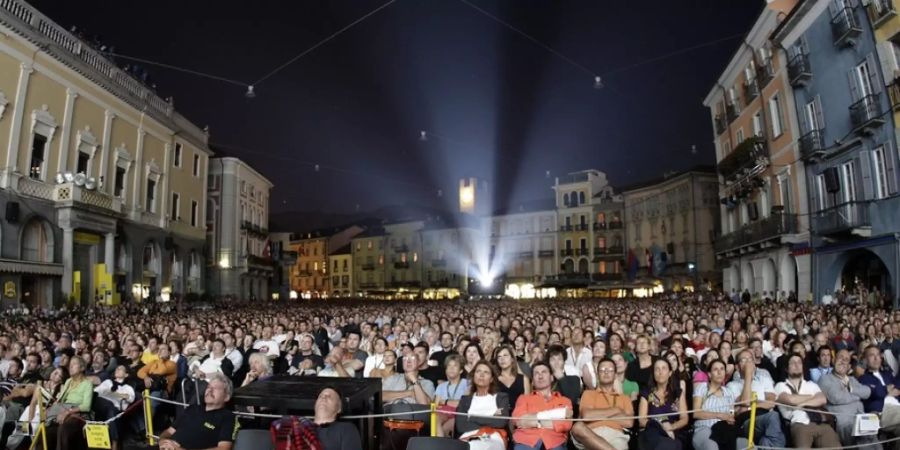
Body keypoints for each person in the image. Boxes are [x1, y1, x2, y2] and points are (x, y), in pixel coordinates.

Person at [773, 353, 841, 448]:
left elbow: (822, 399)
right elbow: (791, 399)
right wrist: (811, 397)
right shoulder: (780, 385)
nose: (797, 365)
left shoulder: (811, 384)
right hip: (798, 424)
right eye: (793, 363)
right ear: (786, 368)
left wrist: (802, 404)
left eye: (799, 363)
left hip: (820, 422)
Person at [157, 373, 239, 450]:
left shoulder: (227, 417)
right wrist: (162, 441)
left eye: (216, 388)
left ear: (226, 397)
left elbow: (223, 448)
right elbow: (169, 431)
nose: (209, 390)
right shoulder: (192, 408)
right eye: (208, 387)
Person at [571, 358, 634, 450]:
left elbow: (629, 422)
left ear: (615, 375)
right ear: (597, 375)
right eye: (602, 370)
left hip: (615, 436)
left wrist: (597, 414)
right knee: (578, 427)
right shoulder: (588, 393)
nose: (606, 372)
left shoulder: (625, 398)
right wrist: (616, 410)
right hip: (590, 434)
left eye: (610, 370)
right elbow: (587, 416)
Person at [819, 349, 877, 448]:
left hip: (862, 417)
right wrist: (858, 395)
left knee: (875, 442)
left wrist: (851, 389)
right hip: (845, 422)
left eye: (846, 360)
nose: (842, 361)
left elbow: (867, 392)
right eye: (840, 357)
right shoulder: (825, 379)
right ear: (834, 360)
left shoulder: (852, 379)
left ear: (849, 366)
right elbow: (836, 397)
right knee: (864, 442)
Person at [727, 349, 785, 448]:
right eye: (744, 360)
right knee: (773, 417)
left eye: (750, 359)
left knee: (766, 441)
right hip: (746, 421)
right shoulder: (732, 385)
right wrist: (748, 376)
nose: (748, 362)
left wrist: (751, 405)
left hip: (764, 417)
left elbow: (771, 403)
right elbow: (746, 402)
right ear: (737, 367)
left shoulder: (764, 380)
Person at [455, 360, 511, 449]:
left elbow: (501, 422)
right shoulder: (465, 400)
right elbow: (461, 426)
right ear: (473, 376)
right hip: (468, 437)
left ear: (491, 379)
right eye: (478, 371)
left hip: (492, 436)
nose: (481, 375)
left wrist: (472, 418)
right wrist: (491, 418)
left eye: (486, 372)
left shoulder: (501, 398)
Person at [637, 359, 688, 449]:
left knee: (672, 444)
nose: (660, 372)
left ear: (670, 373)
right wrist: (661, 427)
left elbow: (684, 418)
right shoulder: (646, 393)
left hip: (672, 433)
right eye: (657, 369)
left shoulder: (678, 393)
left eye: (664, 368)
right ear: (653, 373)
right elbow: (641, 420)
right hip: (651, 434)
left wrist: (671, 427)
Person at [692, 359, 741, 450]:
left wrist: (731, 416)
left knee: (745, 444)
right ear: (709, 375)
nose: (719, 372)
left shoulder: (729, 392)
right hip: (705, 428)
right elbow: (696, 413)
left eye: (722, 369)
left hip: (725, 430)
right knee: (712, 446)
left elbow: (731, 412)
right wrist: (719, 415)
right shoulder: (702, 388)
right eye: (715, 369)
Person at [857, 344, 900, 414]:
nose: (876, 358)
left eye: (878, 355)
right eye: (872, 355)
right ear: (865, 360)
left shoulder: (887, 374)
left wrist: (894, 390)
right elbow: (872, 405)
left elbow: (897, 386)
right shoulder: (863, 380)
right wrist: (888, 395)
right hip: (880, 415)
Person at [434, 354, 469, 437]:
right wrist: (451, 403)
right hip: (443, 413)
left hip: (459, 414)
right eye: (449, 366)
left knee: (445, 428)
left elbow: (464, 404)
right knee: (434, 418)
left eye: (455, 366)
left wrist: (445, 401)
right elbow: (436, 406)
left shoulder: (467, 384)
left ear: (461, 370)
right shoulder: (440, 386)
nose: (451, 368)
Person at [496, 345, 531, 413]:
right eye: (499, 357)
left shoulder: (524, 379)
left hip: (519, 417)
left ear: (512, 359)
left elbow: (527, 403)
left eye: (505, 355)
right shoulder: (493, 380)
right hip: (500, 418)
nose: (502, 359)